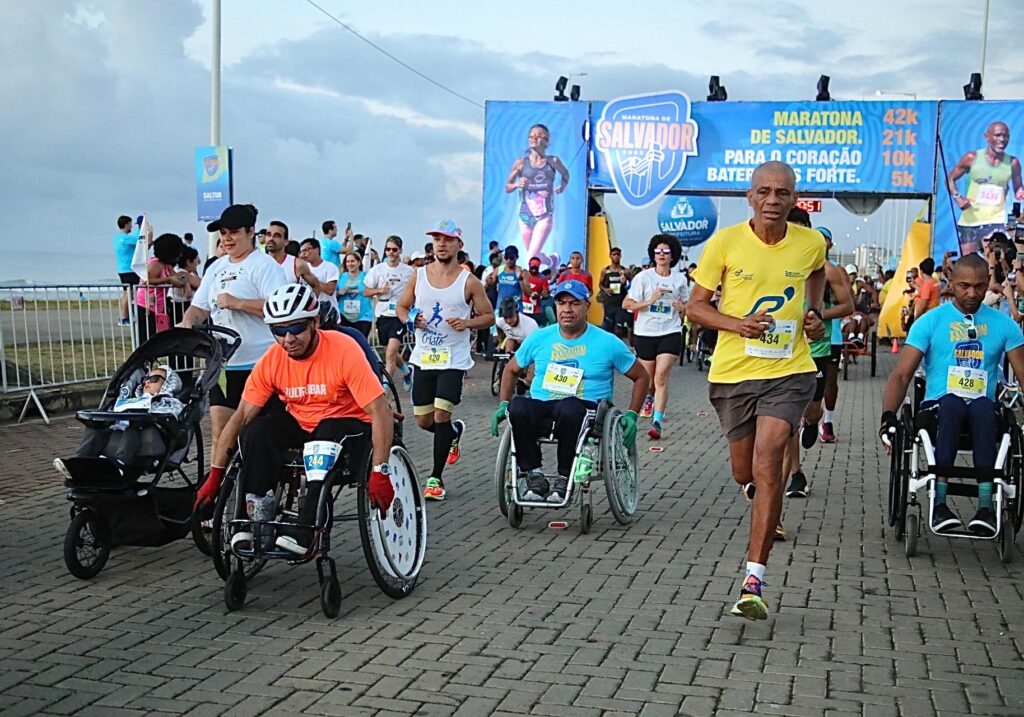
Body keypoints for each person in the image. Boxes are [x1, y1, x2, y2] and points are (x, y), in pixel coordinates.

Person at [687, 161, 826, 621]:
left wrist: (814, 311)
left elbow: (818, 273)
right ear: (750, 196)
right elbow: (696, 308)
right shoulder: (724, 242)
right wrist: (737, 324)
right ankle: (759, 493)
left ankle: (754, 580)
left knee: (770, 459)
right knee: (744, 471)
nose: (772, 200)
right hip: (733, 375)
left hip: (791, 369)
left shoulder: (810, 242)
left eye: (782, 193)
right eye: (764, 191)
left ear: (794, 199)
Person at [194, 284, 396, 554]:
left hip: (348, 425)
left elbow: (380, 411)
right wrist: (215, 476)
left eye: (296, 328)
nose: (288, 338)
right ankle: (257, 515)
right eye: (278, 330)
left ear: (314, 322)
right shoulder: (273, 360)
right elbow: (240, 416)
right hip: (302, 424)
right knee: (256, 430)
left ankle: (308, 525)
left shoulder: (344, 350)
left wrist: (380, 472)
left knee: (327, 432)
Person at [881, 254, 1024, 535]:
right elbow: (901, 375)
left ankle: (986, 506)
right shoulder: (930, 322)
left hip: (984, 408)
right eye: (964, 286)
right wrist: (888, 418)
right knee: (952, 404)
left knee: (983, 406)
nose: (972, 293)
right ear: (950, 284)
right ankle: (940, 503)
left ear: (988, 285)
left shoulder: (1003, 324)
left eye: (980, 286)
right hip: (939, 407)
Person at [489, 280, 650, 502]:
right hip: (543, 405)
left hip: (586, 409)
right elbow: (511, 369)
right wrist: (504, 404)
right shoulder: (539, 337)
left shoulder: (607, 342)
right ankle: (533, 474)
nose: (567, 309)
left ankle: (565, 476)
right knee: (518, 407)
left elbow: (641, 376)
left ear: (587, 306)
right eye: (561, 303)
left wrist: (632, 414)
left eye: (574, 303)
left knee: (570, 407)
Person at [396, 219, 494, 501]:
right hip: (424, 357)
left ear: (458, 245)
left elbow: (489, 316)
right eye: (437, 239)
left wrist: (467, 323)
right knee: (424, 421)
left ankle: (435, 478)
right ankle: (453, 433)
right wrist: (411, 318)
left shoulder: (469, 281)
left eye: (447, 239)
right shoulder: (419, 275)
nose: (441, 243)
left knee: (441, 415)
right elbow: (402, 307)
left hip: (453, 359)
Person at [178, 204, 288, 446]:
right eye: (223, 233)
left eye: (233, 233)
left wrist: (238, 303)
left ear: (251, 232)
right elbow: (199, 307)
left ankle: (254, 480)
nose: (227, 239)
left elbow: (281, 311)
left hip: (260, 363)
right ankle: (218, 483)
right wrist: (187, 322)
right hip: (224, 363)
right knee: (221, 432)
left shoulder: (265, 266)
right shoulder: (217, 267)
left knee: (254, 433)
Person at [786, 226, 853, 499]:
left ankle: (815, 421)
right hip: (785, 350)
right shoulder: (779, 263)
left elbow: (848, 306)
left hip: (820, 345)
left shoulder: (830, 270)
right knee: (787, 416)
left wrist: (817, 313)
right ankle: (795, 474)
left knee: (813, 408)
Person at [56, 364, 186, 479]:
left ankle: (119, 464)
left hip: (144, 431)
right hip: (118, 427)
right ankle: (78, 463)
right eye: (145, 379)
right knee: (96, 427)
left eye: (154, 379)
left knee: (135, 426)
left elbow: (174, 415)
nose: (147, 382)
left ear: (168, 383)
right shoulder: (132, 399)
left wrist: (151, 414)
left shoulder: (169, 401)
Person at [622, 234, 690, 439]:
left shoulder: (679, 279)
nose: (661, 255)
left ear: (673, 255)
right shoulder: (644, 278)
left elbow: (689, 308)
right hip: (645, 333)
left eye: (666, 251)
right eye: (658, 251)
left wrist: (682, 308)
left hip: (670, 331)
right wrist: (650, 301)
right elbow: (627, 305)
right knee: (649, 380)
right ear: (653, 254)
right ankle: (649, 398)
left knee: (661, 376)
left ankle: (657, 422)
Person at [947, 122, 1024, 254]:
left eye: (1005, 136)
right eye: (998, 135)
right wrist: (958, 197)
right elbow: (950, 179)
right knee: (969, 264)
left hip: (995, 222)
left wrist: (1020, 192)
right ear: (987, 137)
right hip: (970, 221)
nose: (1002, 140)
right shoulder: (972, 158)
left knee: (994, 262)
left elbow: (1018, 188)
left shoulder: (1013, 163)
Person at [504, 123, 570, 264]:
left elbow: (566, 174)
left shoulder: (552, 161)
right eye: (532, 136)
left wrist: (562, 186)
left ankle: (528, 283)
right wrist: (517, 184)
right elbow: (507, 187)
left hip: (544, 214)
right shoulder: (521, 163)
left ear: (546, 141)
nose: (534, 139)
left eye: (539, 136)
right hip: (525, 214)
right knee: (534, 255)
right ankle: (552, 261)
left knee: (531, 258)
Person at [364, 235, 415, 389]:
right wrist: (380, 290)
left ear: (400, 251)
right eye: (388, 249)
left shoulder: (409, 271)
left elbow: (416, 290)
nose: (391, 252)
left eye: (394, 250)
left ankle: (385, 389)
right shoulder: (377, 270)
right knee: (389, 352)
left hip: (399, 314)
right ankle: (407, 372)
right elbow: (366, 291)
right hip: (383, 314)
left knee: (391, 354)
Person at [135, 233, 186, 343]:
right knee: (146, 337)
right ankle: (145, 359)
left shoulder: (166, 265)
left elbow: (175, 278)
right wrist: (167, 280)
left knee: (155, 335)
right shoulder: (155, 264)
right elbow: (146, 281)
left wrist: (184, 280)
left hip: (158, 305)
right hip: (147, 305)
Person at [264, 221, 322, 295]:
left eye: (277, 236)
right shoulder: (258, 264)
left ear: (286, 241)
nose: (271, 238)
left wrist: (308, 305)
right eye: (268, 235)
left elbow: (316, 286)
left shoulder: (297, 264)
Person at [114, 215, 143, 325]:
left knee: (127, 292)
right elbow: (137, 239)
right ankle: (124, 317)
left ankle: (125, 315)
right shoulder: (125, 238)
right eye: (130, 224)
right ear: (126, 224)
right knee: (129, 293)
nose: (131, 226)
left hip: (122, 269)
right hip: (128, 270)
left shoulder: (117, 237)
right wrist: (140, 227)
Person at [337, 252, 373, 338]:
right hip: (344, 316)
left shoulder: (366, 276)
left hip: (363, 316)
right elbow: (333, 295)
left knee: (360, 343)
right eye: (347, 261)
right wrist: (339, 293)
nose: (350, 264)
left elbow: (372, 291)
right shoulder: (341, 276)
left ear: (359, 263)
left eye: (352, 261)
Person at [486, 246, 531, 313]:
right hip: (501, 309)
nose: (509, 260)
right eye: (507, 257)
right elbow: (488, 286)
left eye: (511, 258)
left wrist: (520, 279)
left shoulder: (522, 272)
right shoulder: (499, 270)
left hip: (516, 310)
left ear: (517, 257)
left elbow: (528, 293)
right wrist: (488, 282)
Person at [299, 238, 340, 312]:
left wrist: (310, 279)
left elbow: (330, 290)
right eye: (301, 251)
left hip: (329, 312)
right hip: (310, 312)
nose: (303, 254)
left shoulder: (330, 267)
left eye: (306, 250)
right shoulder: (303, 268)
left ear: (317, 250)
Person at [598, 247, 630, 338]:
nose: (616, 257)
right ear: (610, 256)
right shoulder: (605, 270)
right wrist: (606, 290)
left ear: (621, 256)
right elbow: (600, 284)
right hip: (609, 303)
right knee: (608, 328)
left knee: (618, 330)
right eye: (614, 254)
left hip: (621, 304)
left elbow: (633, 286)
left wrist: (625, 283)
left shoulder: (626, 271)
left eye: (618, 254)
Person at [169, 246, 202, 327]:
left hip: (182, 307)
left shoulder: (186, 272)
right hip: (181, 308)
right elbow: (200, 284)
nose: (197, 263)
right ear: (188, 262)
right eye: (195, 260)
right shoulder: (182, 273)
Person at [525, 256, 552, 326]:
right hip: (523, 308)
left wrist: (539, 296)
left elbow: (545, 294)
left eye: (536, 268)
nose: (533, 270)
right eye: (532, 268)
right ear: (529, 265)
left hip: (536, 310)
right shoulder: (523, 275)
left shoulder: (543, 278)